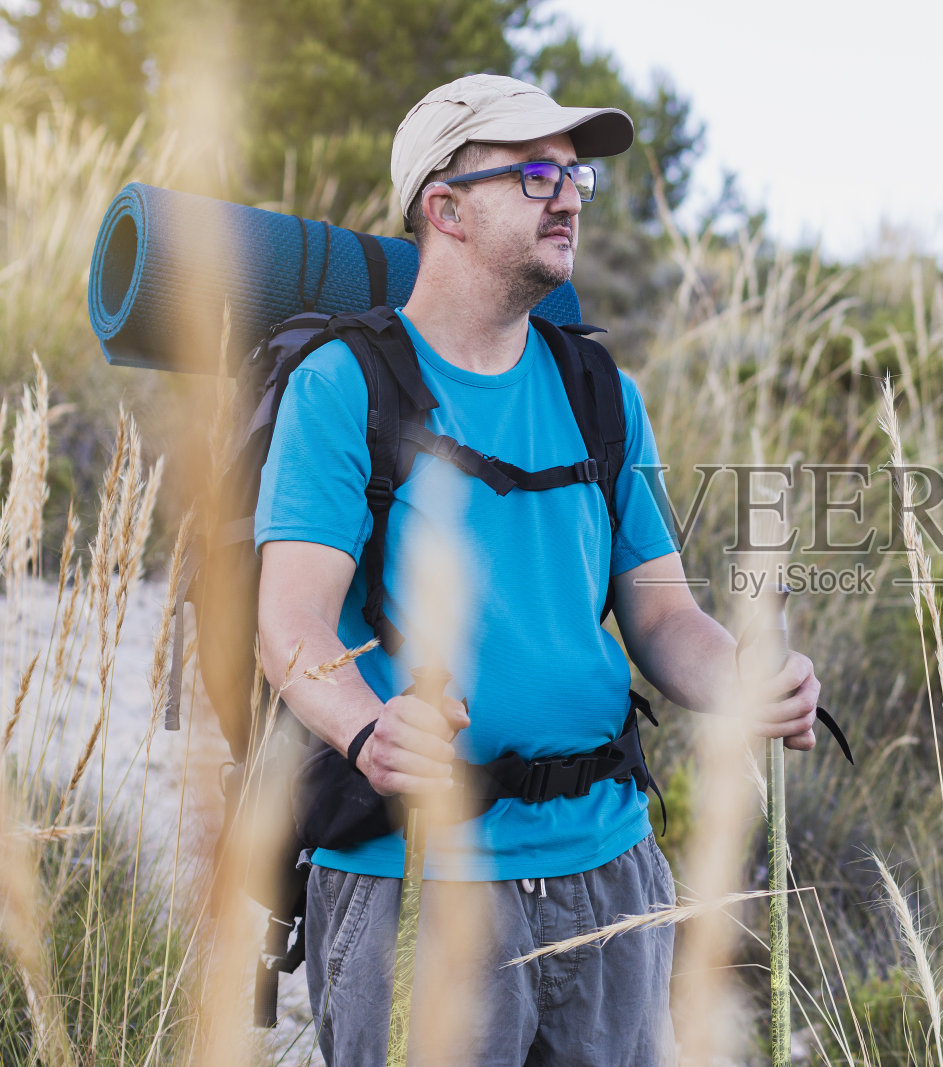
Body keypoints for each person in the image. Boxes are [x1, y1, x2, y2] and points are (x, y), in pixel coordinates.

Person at [255, 73, 821, 1066]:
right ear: (446, 208)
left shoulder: (600, 388)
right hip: (416, 873)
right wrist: (365, 730)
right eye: (530, 172)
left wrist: (745, 678)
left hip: (611, 864)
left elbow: (661, 617)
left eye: (574, 177)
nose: (566, 194)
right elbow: (291, 622)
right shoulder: (344, 385)